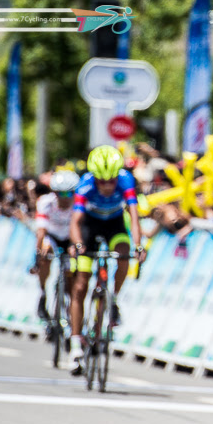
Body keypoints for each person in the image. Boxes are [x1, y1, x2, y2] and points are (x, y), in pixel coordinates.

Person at [68, 146, 147, 375]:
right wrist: (78, 244)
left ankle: (113, 298)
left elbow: (134, 217)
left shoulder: (125, 181)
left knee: (124, 251)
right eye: (101, 181)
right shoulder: (85, 184)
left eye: (110, 180)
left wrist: (139, 245)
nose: (106, 186)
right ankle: (75, 344)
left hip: (114, 224)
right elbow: (75, 221)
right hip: (89, 227)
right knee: (81, 285)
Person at [34, 170, 80, 320]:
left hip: (69, 238)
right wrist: (38, 253)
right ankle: (43, 294)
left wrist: (76, 246)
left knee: (70, 274)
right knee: (45, 253)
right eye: (60, 193)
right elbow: (41, 231)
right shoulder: (45, 202)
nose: (65, 198)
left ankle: (66, 300)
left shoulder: (78, 203)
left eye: (69, 194)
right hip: (52, 235)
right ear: (54, 192)